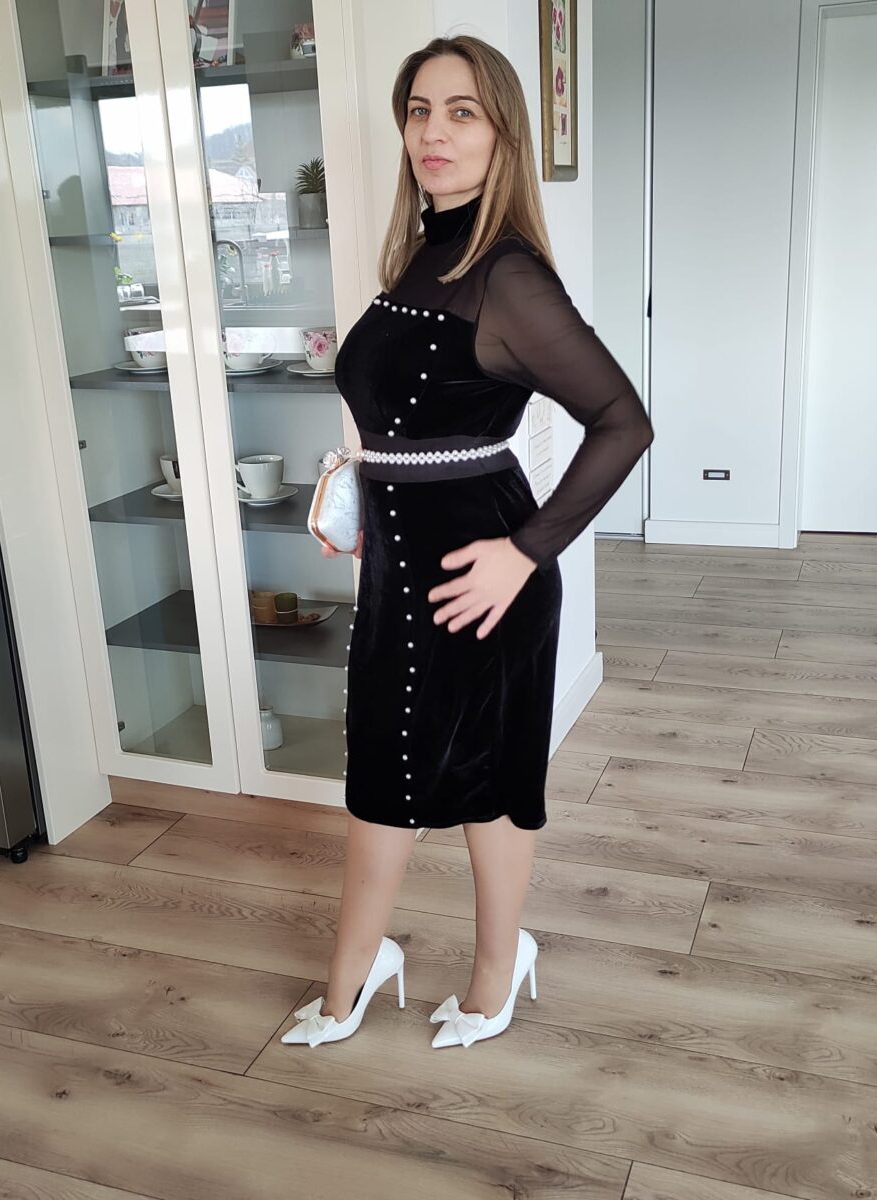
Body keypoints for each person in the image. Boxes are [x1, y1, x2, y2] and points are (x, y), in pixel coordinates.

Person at [281, 35, 653, 1050]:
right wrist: (365, 505)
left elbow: (623, 422)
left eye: (462, 112)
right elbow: (407, 422)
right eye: (418, 110)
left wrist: (526, 552)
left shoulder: (508, 276)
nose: (432, 133)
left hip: (484, 574)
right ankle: (364, 969)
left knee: (485, 783)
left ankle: (488, 970)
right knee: (386, 769)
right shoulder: (421, 253)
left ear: (503, 135)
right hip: (401, 566)